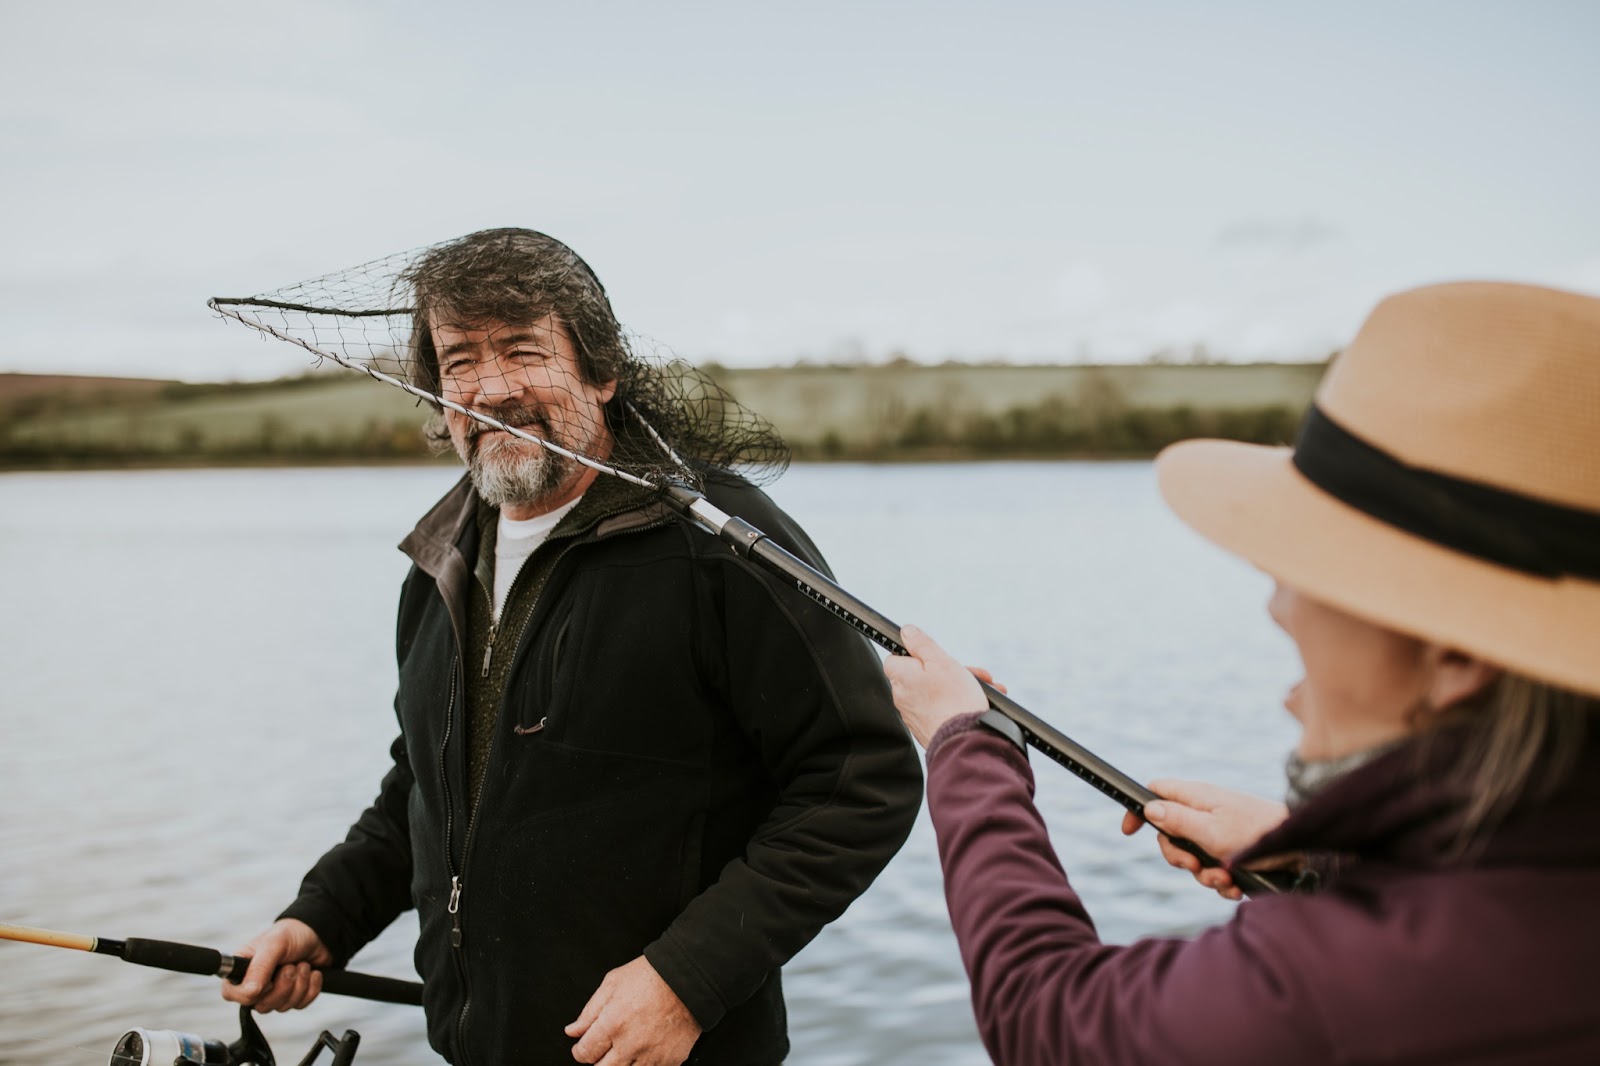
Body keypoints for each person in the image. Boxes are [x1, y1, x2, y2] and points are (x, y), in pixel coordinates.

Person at [223, 228, 922, 1066]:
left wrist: (688, 977)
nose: (493, 391)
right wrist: (321, 919)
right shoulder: (440, 560)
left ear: (602, 371)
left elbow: (856, 781)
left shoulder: (718, 545)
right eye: (460, 363)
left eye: (523, 351)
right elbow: (426, 784)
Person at [885, 281, 1600, 1064]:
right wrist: (1320, 860)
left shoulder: (1341, 982)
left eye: (1313, 570)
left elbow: (1050, 1020)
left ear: (1457, 656)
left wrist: (964, 743)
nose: (1279, 607)